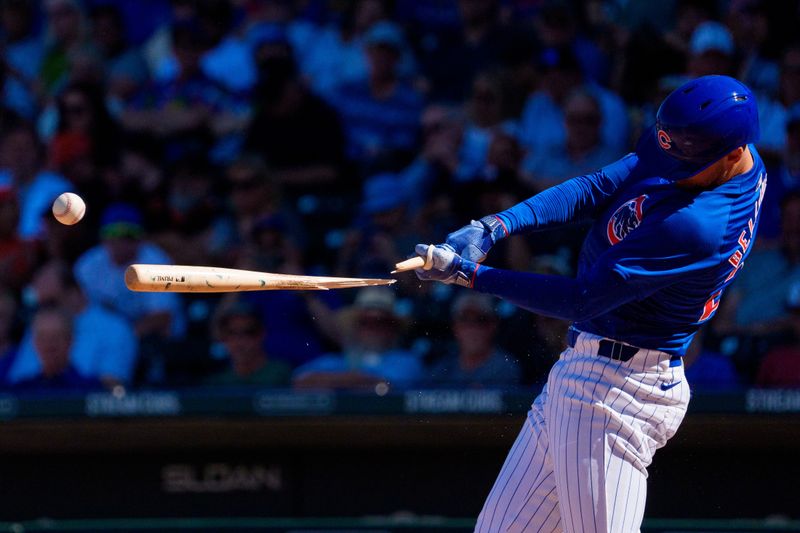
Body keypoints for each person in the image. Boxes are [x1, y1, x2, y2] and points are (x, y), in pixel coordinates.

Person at [407, 75, 765, 531]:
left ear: (733, 153)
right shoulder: (706, 145)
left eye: (683, 160)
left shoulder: (700, 225)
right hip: (585, 372)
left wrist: (469, 275)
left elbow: (582, 299)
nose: (669, 163)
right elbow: (599, 186)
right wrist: (497, 225)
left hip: (617, 391)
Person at [292, 287, 422, 390]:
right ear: (354, 326)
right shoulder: (335, 361)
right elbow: (300, 381)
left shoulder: (406, 361)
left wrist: (332, 381)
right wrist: (356, 380)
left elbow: (386, 385)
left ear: (393, 329)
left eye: (380, 322)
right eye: (365, 322)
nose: (372, 329)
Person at [427, 293, 521, 388]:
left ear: (493, 326)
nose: (472, 329)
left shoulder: (505, 367)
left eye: (481, 320)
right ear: (455, 327)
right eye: (464, 320)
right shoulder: (443, 368)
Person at [204, 301, 291, 387]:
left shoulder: (283, 376)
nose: (240, 341)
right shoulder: (217, 383)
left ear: (262, 334)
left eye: (249, 332)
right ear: (223, 337)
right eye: (232, 333)